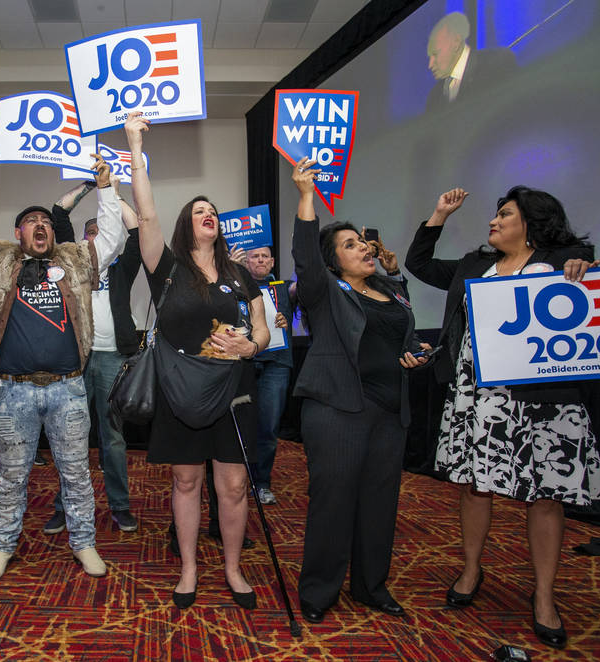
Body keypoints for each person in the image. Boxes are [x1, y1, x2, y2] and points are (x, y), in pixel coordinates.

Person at [404, 186, 600, 649]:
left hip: (544, 396)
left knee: (546, 495)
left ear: (531, 222)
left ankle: (545, 596)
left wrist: (584, 270)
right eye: (495, 215)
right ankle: (472, 569)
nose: (493, 221)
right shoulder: (476, 266)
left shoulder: (563, 262)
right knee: (475, 485)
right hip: (479, 393)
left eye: (505, 214)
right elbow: (419, 265)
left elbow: (590, 283)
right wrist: (438, 214)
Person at [0, 149, 124, 582]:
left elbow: (113, 238)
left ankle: (83, 544)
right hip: (12, 393)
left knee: (78, 474)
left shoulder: (76, 261)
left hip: (68, 390)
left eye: (46, 221)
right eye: (32, 221)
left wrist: (106, 188)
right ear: (18, 232)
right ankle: (2, 547)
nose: (41, 226)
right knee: (12, 476)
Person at [124, 112, 270, 610]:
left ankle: (231, 568)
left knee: (233, 483)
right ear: (188, 221)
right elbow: (145, 215)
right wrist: (134, 144)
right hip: (180, 389)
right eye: (199, 209)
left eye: (214, 209)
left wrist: (253, 346)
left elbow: (263, 326)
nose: (208, 213)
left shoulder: (240, 272)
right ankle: (188, 569)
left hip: (233, 388)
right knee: (186, 479)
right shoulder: (166, 266)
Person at [289, 157, 429, 624]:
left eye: (363, 241)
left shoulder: (391, 292)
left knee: (379, 504)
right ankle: (319, 590)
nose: (363, 247)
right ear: (334, 261)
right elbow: (307, 259)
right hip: (338, 410)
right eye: (350, 245)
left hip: (391, 412)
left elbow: (399, 340)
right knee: (334, 502)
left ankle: (371, 586)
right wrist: (307, 197)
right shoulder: (325, 292)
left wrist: (416, 353)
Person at [43, 181, 141, 536]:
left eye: (102, 232)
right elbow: (59, 212)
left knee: (113, 437)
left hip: (114, 358)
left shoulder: (121, 268)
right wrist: (89, 185)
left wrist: (111, 190)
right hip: (75, 360)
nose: (96, 238)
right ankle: (62, 507)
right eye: (91, 233)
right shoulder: (70, 265)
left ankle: (120, 506)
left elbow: (136, 230)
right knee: (69, 436)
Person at [242, 246, 295, 505]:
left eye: (265, 256)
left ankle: (261, 482)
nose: (260, 260)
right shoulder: (235, 284)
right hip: (244, 361)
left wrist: (288, 320)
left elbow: (310, 288)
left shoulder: (285, 287)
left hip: (277, 363)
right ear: (246, 260)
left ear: (273, 262)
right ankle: (238, 482)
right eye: (255, 256)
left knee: (269, 427)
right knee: (239, 427)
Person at [425, 11, 517, 112]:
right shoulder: (435, 97)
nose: (430, 64)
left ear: (456, 42)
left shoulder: (497, 63)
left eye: (435, 53)